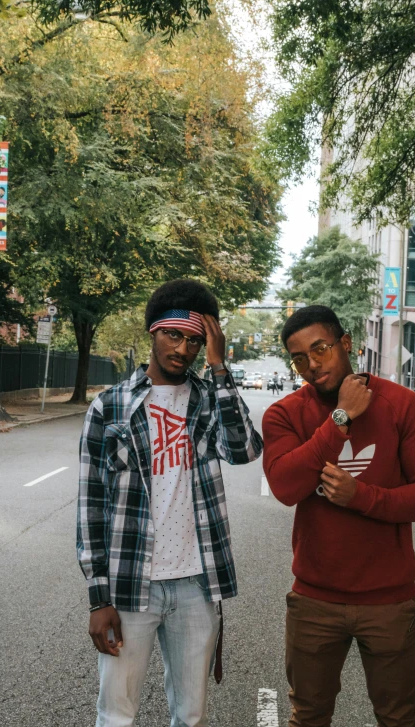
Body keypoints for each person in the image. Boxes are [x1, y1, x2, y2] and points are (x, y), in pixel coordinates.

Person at [78, 279, 263, 727]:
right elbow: (91, 505)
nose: (183, 348)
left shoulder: (208, 400)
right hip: (129, 585)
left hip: (196, 586)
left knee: (191, 715)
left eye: (196, 340)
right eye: (173, 335)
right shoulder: (110, 407)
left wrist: (220, 369)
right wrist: (97, 597)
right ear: (153, 332)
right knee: (117, 714)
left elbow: (243, 450)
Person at [262, 305, 415, 727]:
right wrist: (340, 418)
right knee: (307, 716)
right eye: (299, 358)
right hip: (314, 599)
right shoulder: (284, 414)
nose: (312, 365)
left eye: (321, 349)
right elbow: (286, 487)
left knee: (398, 718)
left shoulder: (402, 404)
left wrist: (360, 497)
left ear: (346, 344)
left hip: (389, 600)